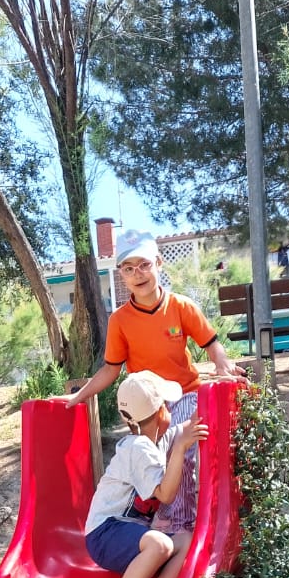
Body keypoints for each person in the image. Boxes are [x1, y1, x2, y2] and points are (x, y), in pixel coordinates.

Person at [65, 229, 241, 534]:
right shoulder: (120, 320)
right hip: (148, 403)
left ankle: (182, 522)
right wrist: (80, 395)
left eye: (144, 265)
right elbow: (110, 369)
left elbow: (211, 343)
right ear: (121, 274)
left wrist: (222, 362)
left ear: (158, 263)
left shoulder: (181, 306)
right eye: (128, 268)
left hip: (184, 393)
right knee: (147, 458)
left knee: (180, 447)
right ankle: (156, 516)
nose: (138, 274)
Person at [82, 371, 207, 578]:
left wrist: (217, 390)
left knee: (186, 541)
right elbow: (165, 494)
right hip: (104, 533)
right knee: (161, 545)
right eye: (168, 405)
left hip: (127, 537)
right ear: (162, 411)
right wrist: (180, 449)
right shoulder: (137, 448)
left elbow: (189, 425)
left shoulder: (157, 439)